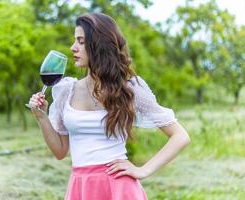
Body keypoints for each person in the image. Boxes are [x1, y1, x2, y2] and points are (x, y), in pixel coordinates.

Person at [28, 13, 190, 200]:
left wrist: (143, 170)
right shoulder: (66, 90)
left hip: (119, 188)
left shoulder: (129, 90)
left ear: (98, 44)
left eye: (80, 41)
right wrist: (42, 117)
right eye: (75, 41)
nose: (73, 48)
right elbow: (60, 151)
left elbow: (180, 136)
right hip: (80, 186)